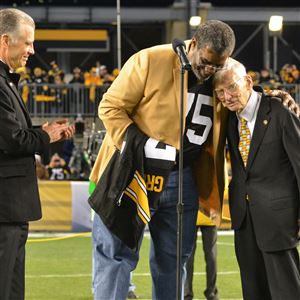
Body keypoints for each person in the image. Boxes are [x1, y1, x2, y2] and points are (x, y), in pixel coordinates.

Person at [89, 19, 299, 300]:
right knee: (116, 256)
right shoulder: (150, 59)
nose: (210, 71)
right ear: (194, 44)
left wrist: (271, 96)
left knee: (174, 264)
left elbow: (241, 91)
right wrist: (144, 146)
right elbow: (110, 106)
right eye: (206, 62)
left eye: (217, 66)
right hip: (133, 171)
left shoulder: (221, 67)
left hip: (183, 177)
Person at [0, 8, 74, 300]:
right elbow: (12, 140)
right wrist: (47, 135)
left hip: (12, 208)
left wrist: (42, 131)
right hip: (5, 208)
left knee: (13, 289)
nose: (32, 50)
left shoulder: (7, 80)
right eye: (28, 42)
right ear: (5, 40)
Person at [213, 60, 300, 299]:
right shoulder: (230, 120)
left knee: (287, 292)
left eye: (231, 87)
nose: (226, 96)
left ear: (249, 81)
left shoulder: (280, 111)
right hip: (244, 219)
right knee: (252, 291)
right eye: (220, 92)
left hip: (279, 217)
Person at [184, 211, 218, 300]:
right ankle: (211, 292)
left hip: (191, 214)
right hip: (210, 214)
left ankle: (187, 293)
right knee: (211, 255)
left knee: (188, 256)